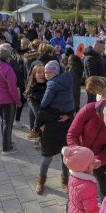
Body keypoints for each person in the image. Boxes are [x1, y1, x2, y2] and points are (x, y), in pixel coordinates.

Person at [67, 95, 106, 198]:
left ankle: (104, 204)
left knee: (105, 188)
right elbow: (72, 134)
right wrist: (78, 153)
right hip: (80, 155)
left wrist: (99, 160)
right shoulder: (89, 110)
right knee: (77, 190)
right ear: (105, 112)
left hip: (102, 158)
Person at [35, 60, 74, 194]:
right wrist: (38, 126)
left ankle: (65, 180)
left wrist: (69, 115)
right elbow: (37, 111)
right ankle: (41, 181)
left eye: (48, 71)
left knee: (65, 156)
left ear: (55, 72)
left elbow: (45, 104)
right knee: (47, 156)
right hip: (51, 126)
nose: (45, 74)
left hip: (61, 126)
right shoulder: (34, 90)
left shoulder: (53, 84)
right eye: (42, 72)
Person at [0, 46, 22, 155]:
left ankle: (7, 141)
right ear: (7, 58)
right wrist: (18, 101)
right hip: (7, 100)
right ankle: (6, 148)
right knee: (8, 123)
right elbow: (12, 88)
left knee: (4, 121)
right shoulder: (8, 69)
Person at [62, 146, 100, 213]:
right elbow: (92, 212)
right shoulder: (87, 187)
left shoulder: (74, 175)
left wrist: (92, 164)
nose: (94, 162)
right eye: (92, 161)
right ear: (86, 167)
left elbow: (83, 166)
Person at [24, 63, 46, 144]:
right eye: (39, 72)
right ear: (34, 75)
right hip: (38, 118)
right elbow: (37, 112)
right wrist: (39, 127)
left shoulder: (50, 87)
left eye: (44, 72)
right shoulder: (30, 91)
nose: (42, 74)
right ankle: (36, 134)